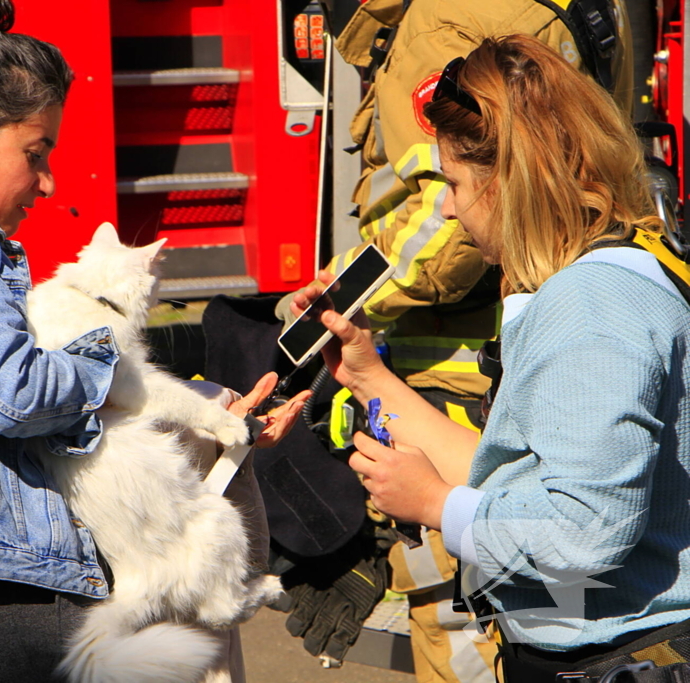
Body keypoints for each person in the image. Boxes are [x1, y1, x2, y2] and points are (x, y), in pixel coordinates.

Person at [0, 1, 304, 680]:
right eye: (34, 152)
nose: (46, 181)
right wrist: (109, 368)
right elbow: (16, 390)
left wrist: (203, 408)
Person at [295, 34, 690, 681]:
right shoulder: (581, 287)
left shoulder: (591, 307)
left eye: (453, 182)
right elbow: (509, 476)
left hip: (619, 658)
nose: (446, 205)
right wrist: (366, 374)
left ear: (510, 179)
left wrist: (438, 505)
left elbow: (582, 532)